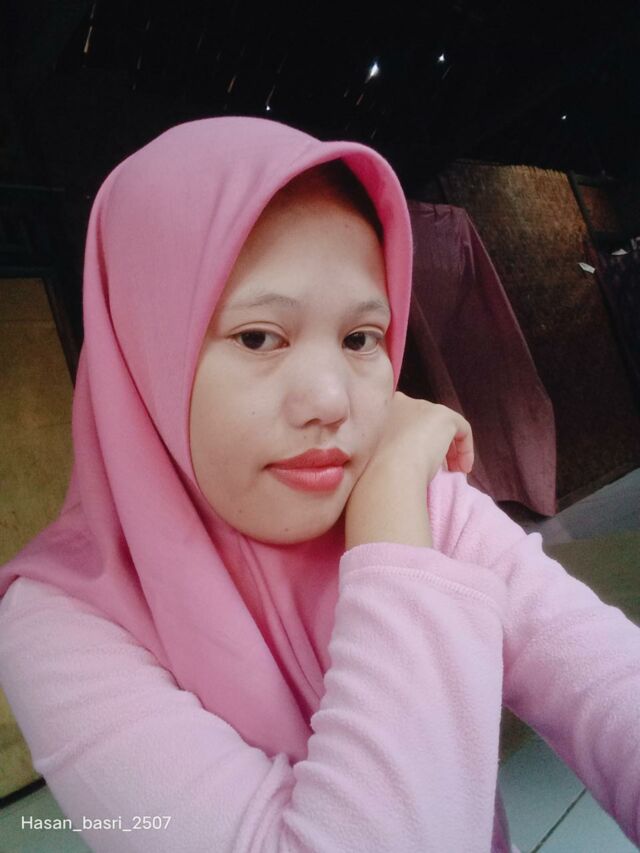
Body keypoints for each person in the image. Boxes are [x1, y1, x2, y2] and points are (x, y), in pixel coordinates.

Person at [0, 116, 638, 853]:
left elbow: (612, 690)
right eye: (258, 336)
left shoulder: (425, 503)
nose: (332, 400)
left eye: (361, 338)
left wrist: (394, 496)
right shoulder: (58, 625)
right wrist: (391, 519)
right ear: (142, 350)